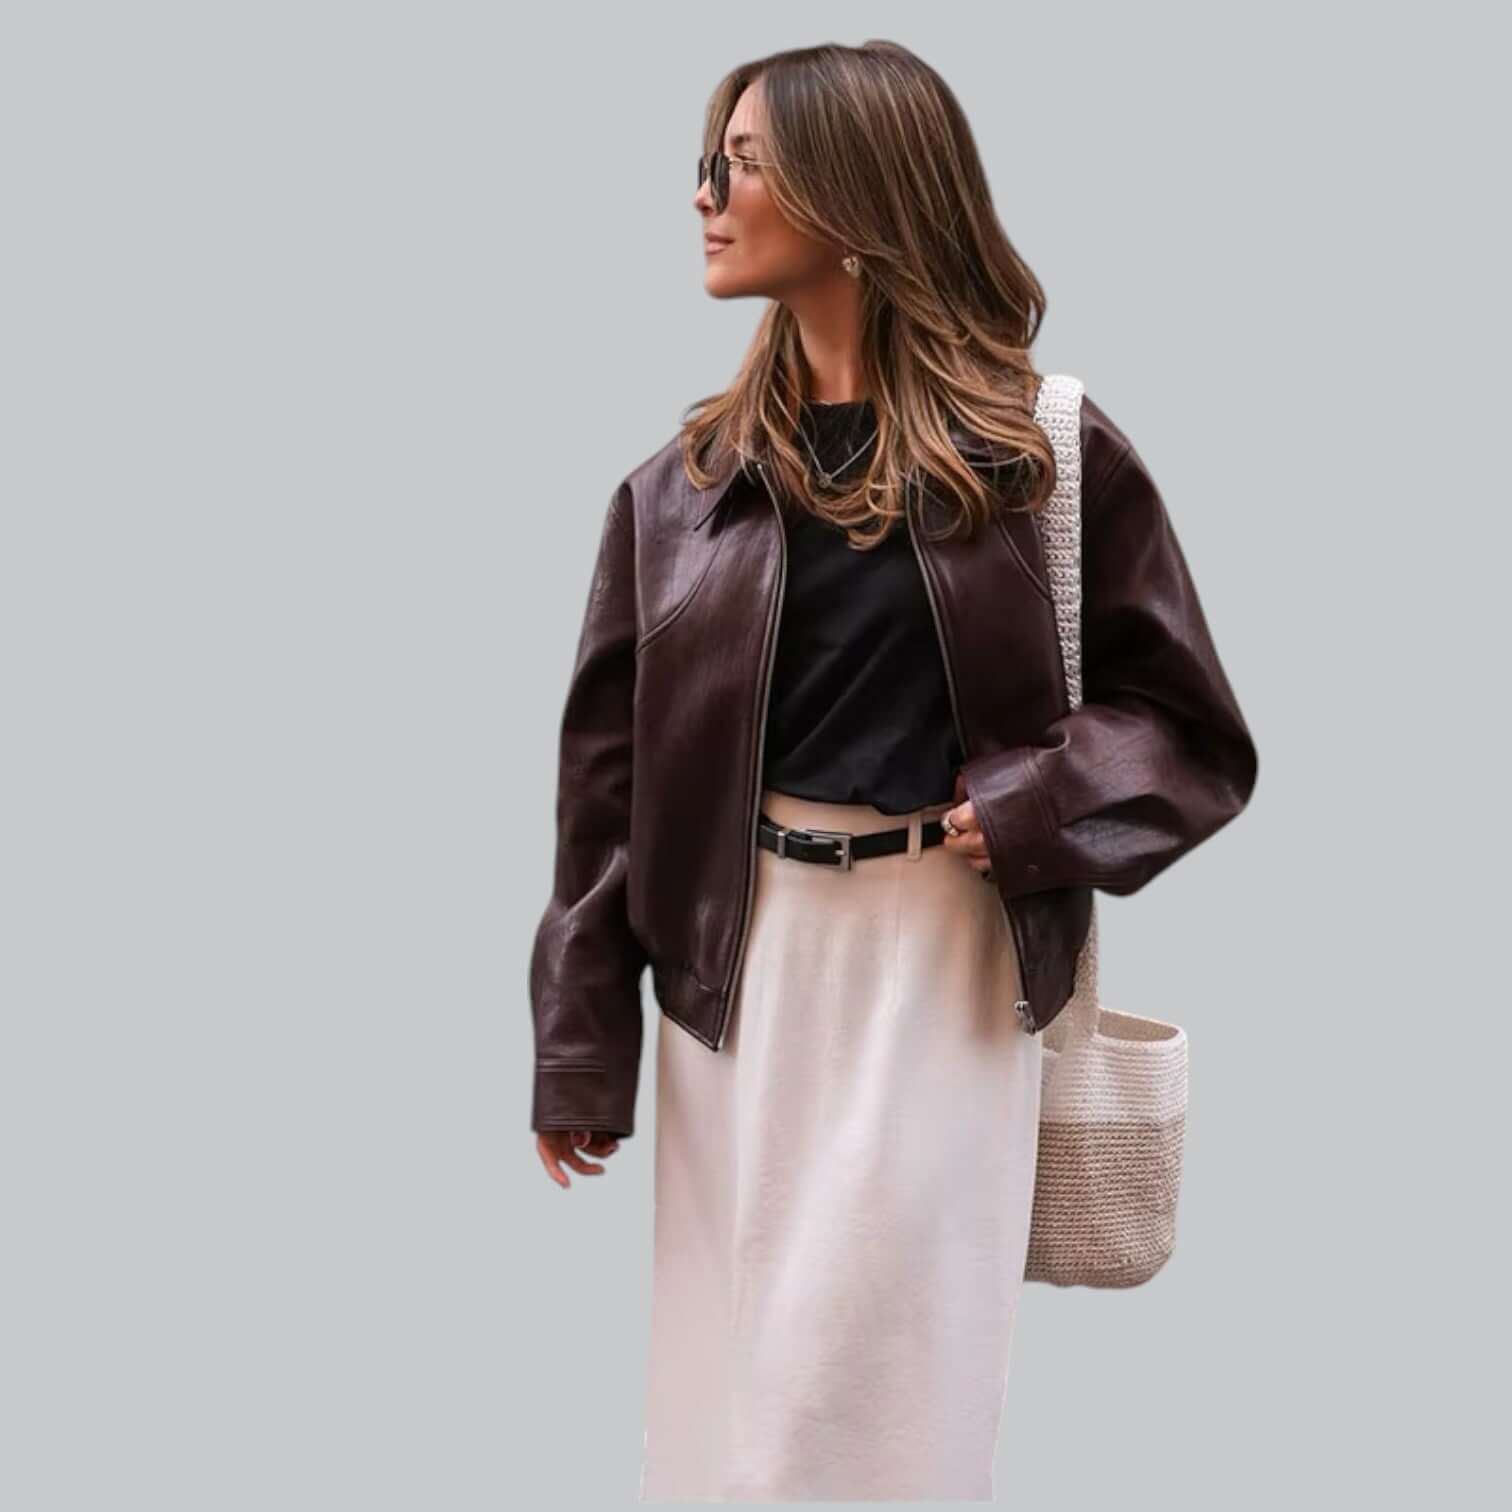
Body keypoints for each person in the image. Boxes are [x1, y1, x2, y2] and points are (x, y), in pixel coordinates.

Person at [528, 40, 1259, 1503]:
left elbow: (1191, 728)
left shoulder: (1040, 459)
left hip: (940, 964)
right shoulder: (681, 489)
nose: (705, 196)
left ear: (855, 196)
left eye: (742, 164)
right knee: (728, 1407)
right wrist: (580, 1040)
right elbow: (607, 793)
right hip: (735, 972)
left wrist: (1039, 803)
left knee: (880, 1397)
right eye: (709, 162)